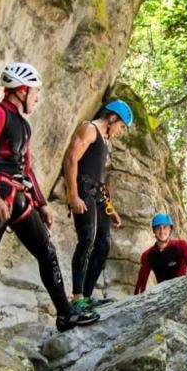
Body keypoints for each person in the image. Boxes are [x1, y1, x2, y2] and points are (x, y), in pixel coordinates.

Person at [0, 62, 99, 335]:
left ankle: (66, 315)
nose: (37, 97)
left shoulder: (23, 125)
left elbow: (27, 169)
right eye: (35, 91)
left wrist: (42, 203)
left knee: (47, 251)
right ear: (21, 90)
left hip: (18, 199)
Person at [63, 99, 133, 314]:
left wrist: (110, 209)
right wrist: (73, 195)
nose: (121, 132)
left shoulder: (104, 138)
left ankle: (87, 295)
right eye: (121, 126)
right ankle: (77, 298)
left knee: (103, 244)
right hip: (83, 191)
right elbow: (71, 160)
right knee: (87, 239)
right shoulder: (90, 129)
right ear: (112, 118)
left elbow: (99, 178)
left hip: (97, 195)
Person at [135, 213, 187, 294]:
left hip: (181, 292)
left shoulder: (181, 246)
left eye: (165, 227)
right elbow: (141, 284)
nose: (162, 231)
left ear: (170, 229)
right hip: (163, 297)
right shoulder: (148, 255)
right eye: (158, 228)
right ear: (154, 230)